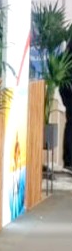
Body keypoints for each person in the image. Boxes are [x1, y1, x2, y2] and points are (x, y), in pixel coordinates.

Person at [60, 39, 72, 171]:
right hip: (69, 90)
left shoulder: (67, 52)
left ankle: (68, 160)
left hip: (66, 90)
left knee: (70, 123)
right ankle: (69, 160)